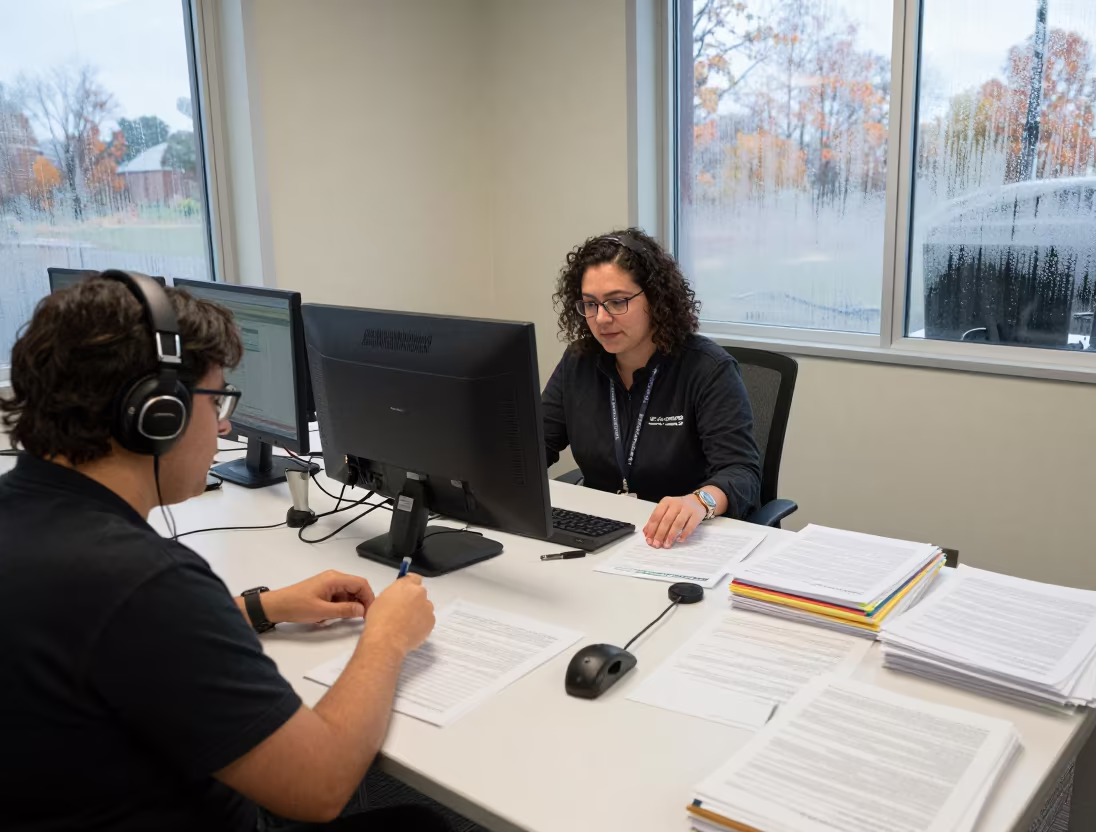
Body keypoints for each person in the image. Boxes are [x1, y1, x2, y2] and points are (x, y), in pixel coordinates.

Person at [0, 272, 449, 831]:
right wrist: (387, 637)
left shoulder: (26, 518)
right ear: (156, 413)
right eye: (217, 401)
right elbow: (320, 784)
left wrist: (259, 608)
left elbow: (104, 636)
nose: (226, 423)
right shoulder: (142, 582)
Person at [543, 228, 763, 548]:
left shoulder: (707, 368)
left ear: (656, 300)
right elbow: (535, 444)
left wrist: (699, 501)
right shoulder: (579, 362)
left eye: (617, 302)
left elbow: (741, 471)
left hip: (680, 539)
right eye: (590, 304)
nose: (601, 318)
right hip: (600, 531)